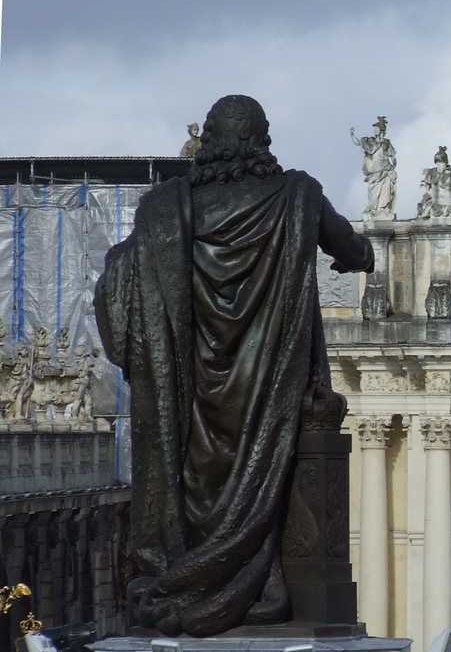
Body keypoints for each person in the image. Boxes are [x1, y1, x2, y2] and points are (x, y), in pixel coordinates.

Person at [94, 94, 375, 636]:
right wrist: (358, 254)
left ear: (211, 143)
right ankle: (258, 579)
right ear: (261, 141)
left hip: (190, 390)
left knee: (193, 476)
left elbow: (120, 280)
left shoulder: (165, 208)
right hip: (266, 388)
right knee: (265, 476)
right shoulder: (298, 196)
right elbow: (354, 248)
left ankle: (193, 577)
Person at [351, 116, 397, 216]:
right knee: (373, 192)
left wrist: (393, 164)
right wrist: (352, 135)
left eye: (376, 128)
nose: (374, 130)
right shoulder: (370, 142)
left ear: (381, 130)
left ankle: (382, 209)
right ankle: (373, 209)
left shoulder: (386, 143)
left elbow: (392, 156)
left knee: (385, 193)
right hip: (375, 172)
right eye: (374, 129)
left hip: (385, 171)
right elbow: (358, 142)